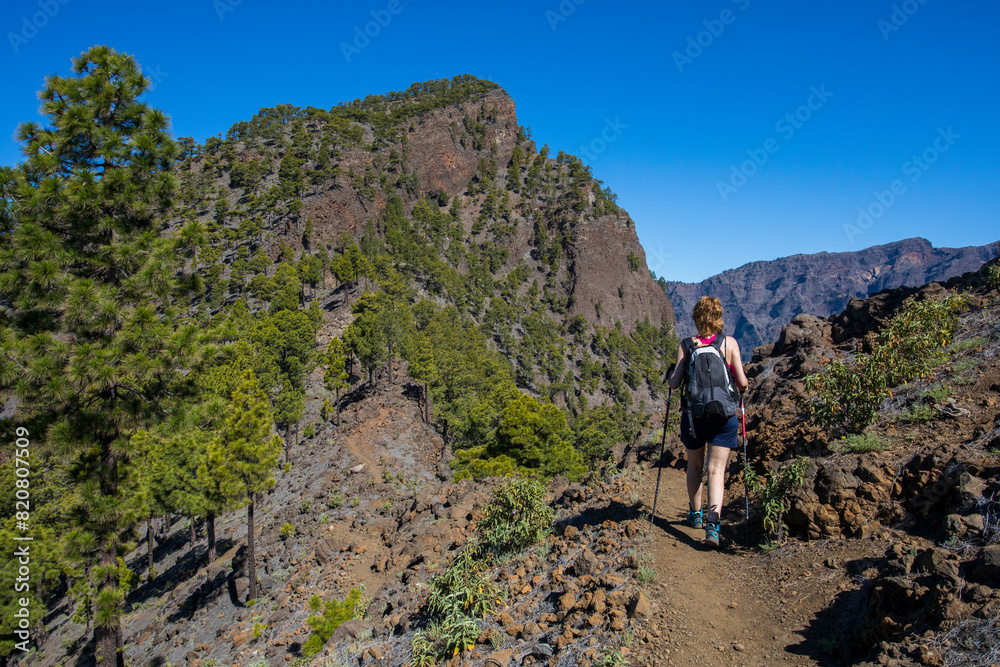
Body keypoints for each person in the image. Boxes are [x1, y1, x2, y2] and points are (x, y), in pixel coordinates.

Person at [667, 296, 748, 548]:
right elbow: (743, 383)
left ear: (697, 317)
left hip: (694, 417)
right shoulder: (729, 343)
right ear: (719, 316)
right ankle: (713, 527)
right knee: (716, 471)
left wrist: (671, 372)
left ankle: (695, 514)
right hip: (724, 417)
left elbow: (674, 383)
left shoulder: (686, 345)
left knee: (694, 466)